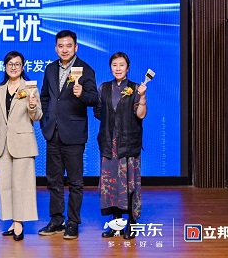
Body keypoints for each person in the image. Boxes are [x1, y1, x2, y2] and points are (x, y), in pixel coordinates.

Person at [38, 30, 98, 240]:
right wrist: (45, 120)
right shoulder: (50, 69)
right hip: (52, 133)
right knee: (53, 180)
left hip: (73, 133)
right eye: (61, 46)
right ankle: (56, 220)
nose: (64, 49)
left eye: (69, 46)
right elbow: (45, 97)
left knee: (75, 181)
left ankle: (73, 222)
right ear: (56, 48)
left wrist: (82, 95)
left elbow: (94, 98)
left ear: (76, 47)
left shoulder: (85, 69)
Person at [0, 51, 42, 242]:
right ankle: (12, 220)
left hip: (23, 142)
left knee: (22, 185)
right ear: (5, 66)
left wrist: (32, 105)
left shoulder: (30, 87)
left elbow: (37, 116)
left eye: (17, 64)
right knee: (6, 185)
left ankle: (19, 222)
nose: (13, 67)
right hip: (3, 142)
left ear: (22, 67)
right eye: (10, 64)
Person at [94, 52, 147, 240]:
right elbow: (98, 111)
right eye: (114, 65)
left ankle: (132, 223)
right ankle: (116, 223)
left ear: (128, 67)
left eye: (121, 65)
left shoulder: (135, 88)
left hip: (128, 143)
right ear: (110, 67)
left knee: (129, 182)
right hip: (109, 143)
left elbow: (141, 114)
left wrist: (142, 97)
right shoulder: (104, 88)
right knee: (111, 184)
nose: (118, 68)